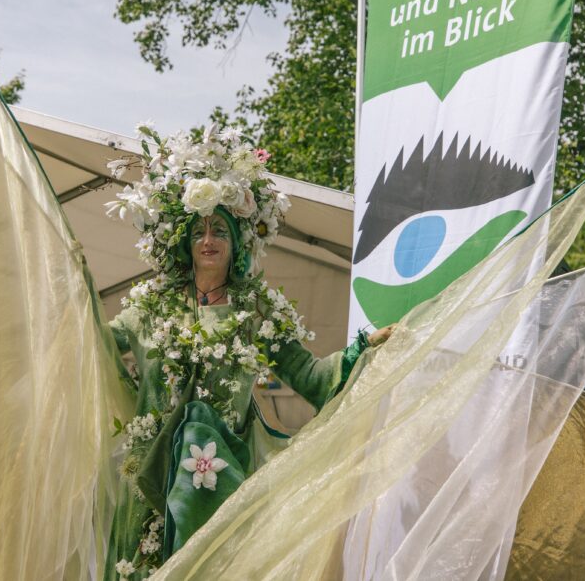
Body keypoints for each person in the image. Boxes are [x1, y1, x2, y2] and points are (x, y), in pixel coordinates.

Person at [101, 125, 394, 579]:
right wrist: (69, 291)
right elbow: (98, 344)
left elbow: (315, 380)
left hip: (220, 487)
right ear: (182, 243)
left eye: (220, 228)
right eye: (197, 231)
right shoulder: (150, 304)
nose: (208, 239)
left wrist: (363, 348)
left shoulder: (257, 309)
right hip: (151, 488)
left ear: (238, 238)